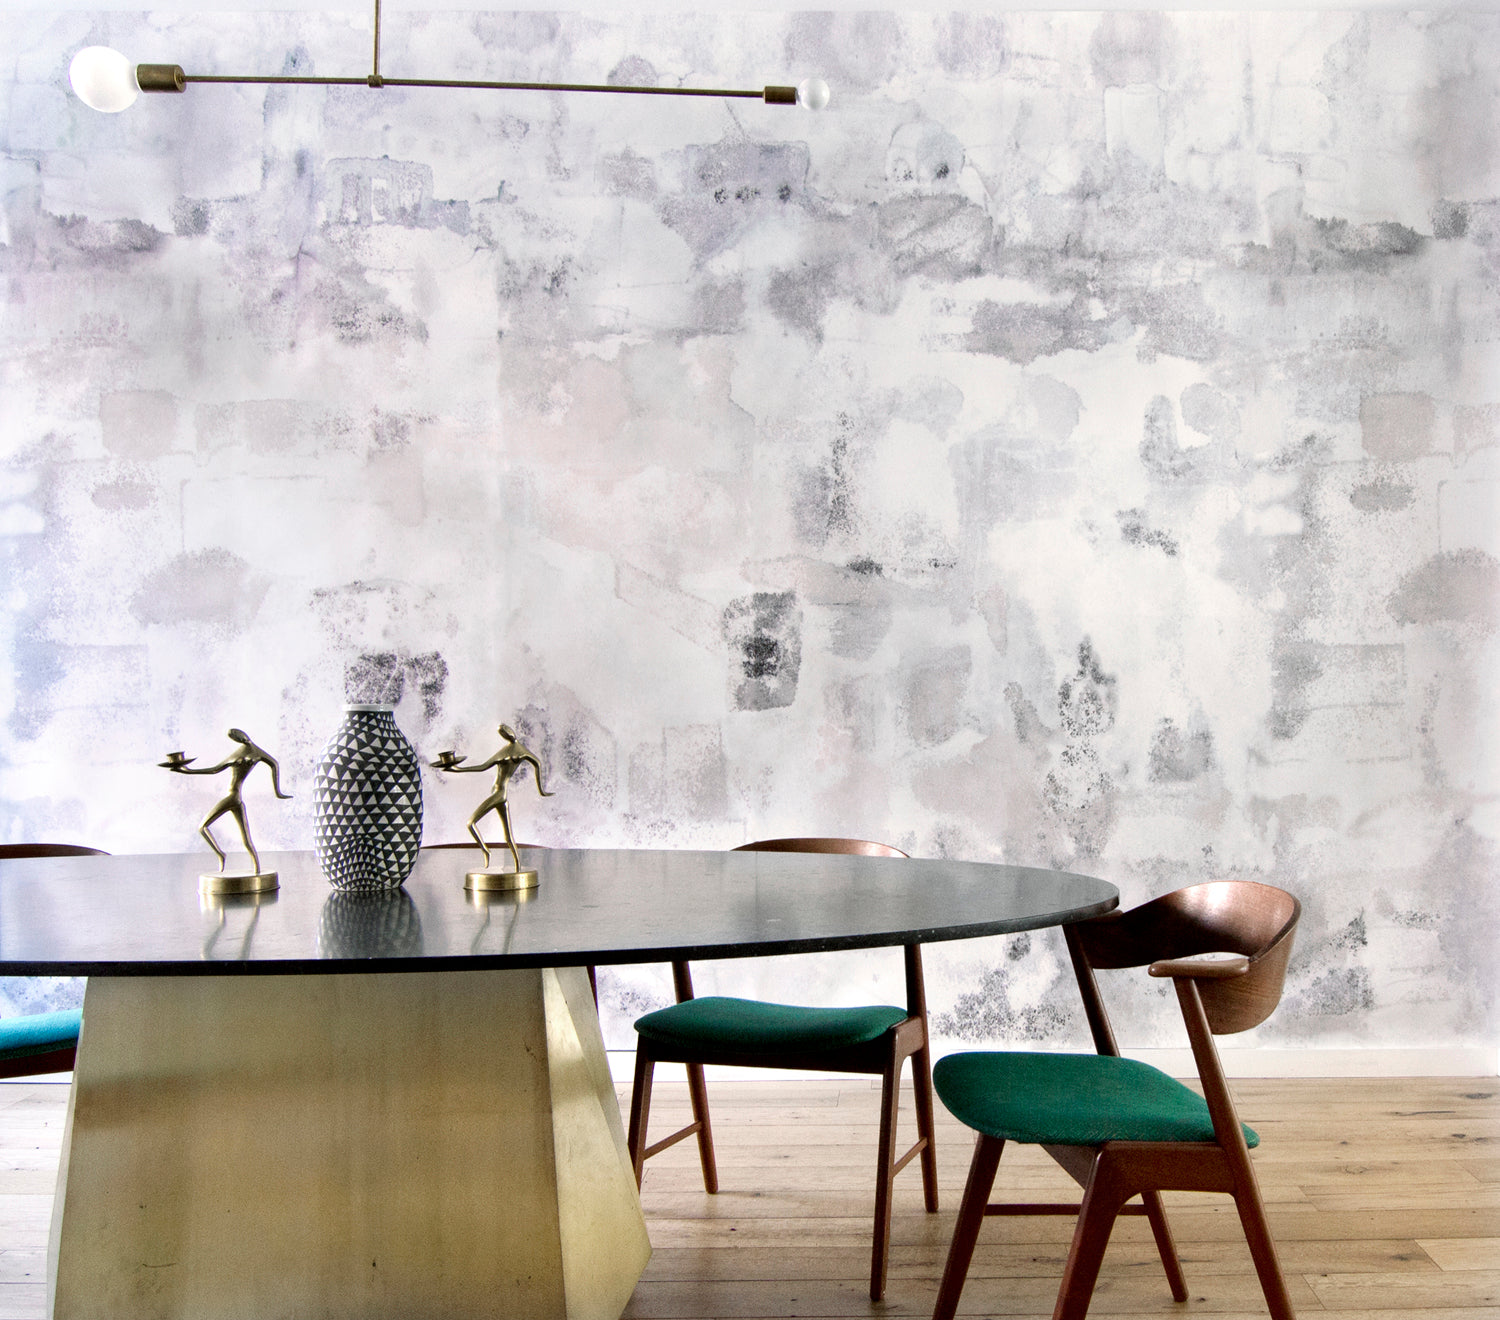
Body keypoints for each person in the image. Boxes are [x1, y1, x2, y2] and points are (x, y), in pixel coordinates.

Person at [162, 729, 291, 874]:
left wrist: (188, 771)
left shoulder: (240, 754)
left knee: (202, 827)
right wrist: (277, 792)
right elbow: (274, 764)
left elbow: (214, 770)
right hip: (238, 799)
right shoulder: (256, 752)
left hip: (231, 797)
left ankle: (221, 854)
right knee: (246, 840)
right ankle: (257, 869)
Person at [433, 724, 554, 873]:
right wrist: (541, 790)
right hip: (501, 795)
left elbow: (483, 767)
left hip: (498, 794)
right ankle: (517, 867)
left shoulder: (513, 751)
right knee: (508, 836)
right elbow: (484, 766)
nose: (505, 733)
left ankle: (486, 851)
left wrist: (542, 790)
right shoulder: (515, 750)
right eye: (503, 732)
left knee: (470, 823)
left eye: (505, 731)